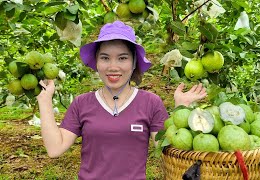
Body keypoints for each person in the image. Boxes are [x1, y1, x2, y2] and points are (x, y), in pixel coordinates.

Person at [36, 20, 207, 180]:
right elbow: (55, 148)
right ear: (96, 62)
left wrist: (180, 110)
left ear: (133, 63)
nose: (113, 67)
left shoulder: (151, 103)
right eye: (105, 58)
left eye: (122, 58)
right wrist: (44, 100)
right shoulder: (82, 103)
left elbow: (166, 151)